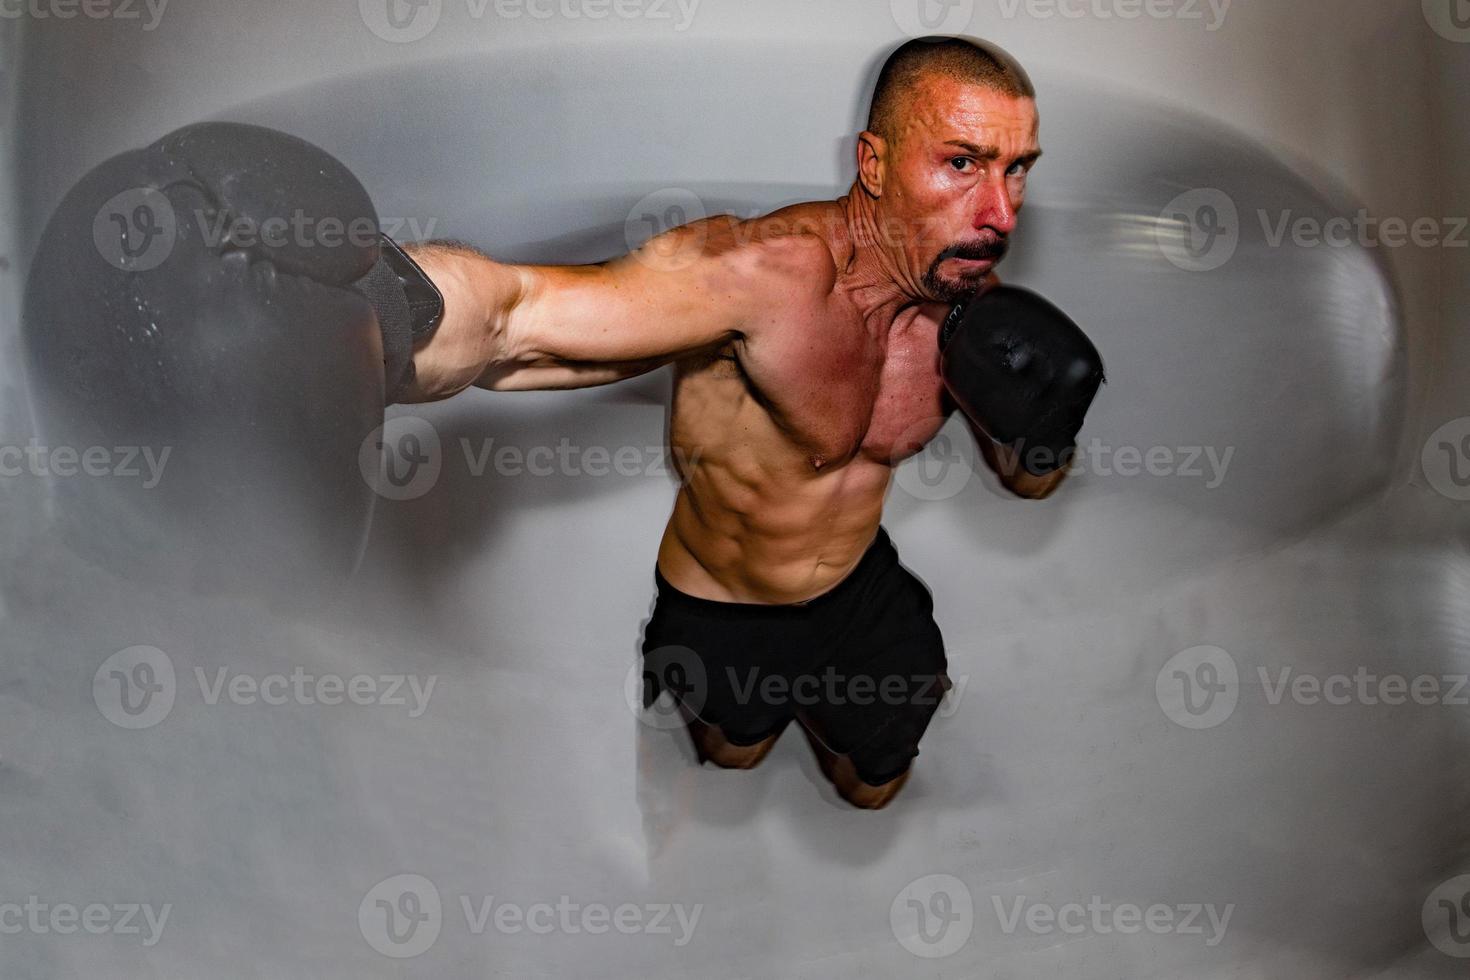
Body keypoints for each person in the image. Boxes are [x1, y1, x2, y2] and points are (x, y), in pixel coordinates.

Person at [25, 36, 1103, 809]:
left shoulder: (972, 311)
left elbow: (1028, 478)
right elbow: (519, 317)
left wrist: (1040, 436)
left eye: (1018, 171)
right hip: (724, 605)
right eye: (960, 165)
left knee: (875, 783)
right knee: (722, 768)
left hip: (861, 590)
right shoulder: (753, 279)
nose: (1000, 211)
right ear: (873, 163)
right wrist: (373, 315)